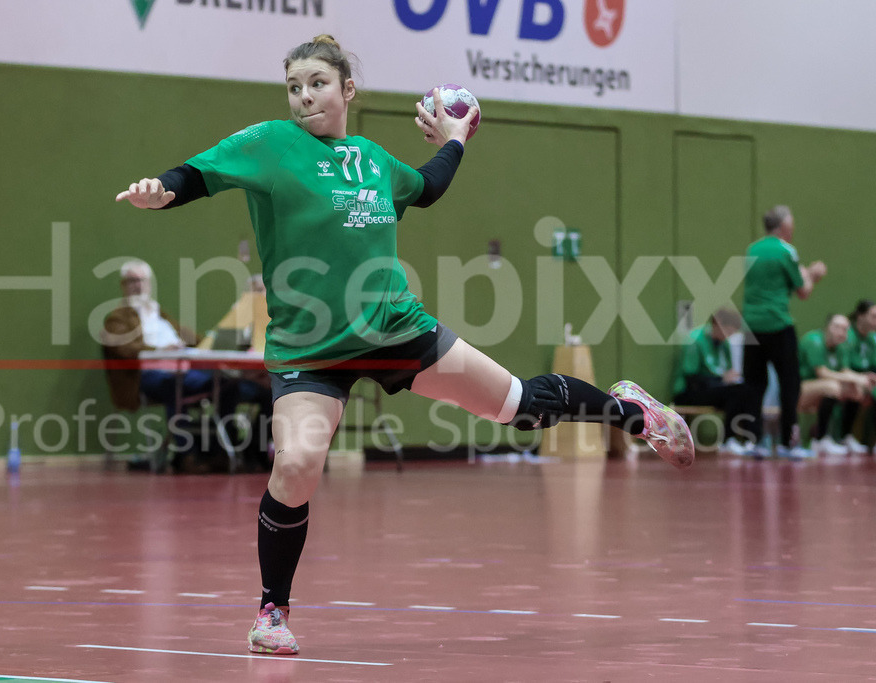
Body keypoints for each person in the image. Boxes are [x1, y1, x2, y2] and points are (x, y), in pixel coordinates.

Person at [115, 35, 694, 656]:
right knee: (296, 464)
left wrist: (456, 138)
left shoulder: (371, 160)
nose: (304, 96)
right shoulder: (268, 144)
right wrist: (163, 188)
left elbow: (427, 184)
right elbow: (197, 174)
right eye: (294, 86)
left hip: (396, 330)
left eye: (316, 83)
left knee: (519, 405)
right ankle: (272, 612)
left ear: (347, 91)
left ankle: (633, 411)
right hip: (310, 350)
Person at [101, 259, 272, 471]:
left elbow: (188, 337)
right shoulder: (116, 319)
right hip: (145, 376)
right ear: (123, 285)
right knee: (177, 385)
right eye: (132, 281)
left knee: (227, 385)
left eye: (142, 280)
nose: (138, 285)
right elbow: (126, 350)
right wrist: (161, 351)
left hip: (179, 368)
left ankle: (223, 452)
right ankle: (185, 455)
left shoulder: (157, 313)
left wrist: (212, 342)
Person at [741, 205, 827, 458]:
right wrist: (814, 274)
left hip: (751, 324)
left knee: (754, 384)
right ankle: (790, 441)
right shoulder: (786, 251)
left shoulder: (751, 250)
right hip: (778, 323)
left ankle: (755, 441)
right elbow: (803, 291)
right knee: (790, 383)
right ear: (784, 226)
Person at [672, 307, 757, 455]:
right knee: (735, 393)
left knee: (747, 390)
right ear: (717, 325)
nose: (729, 336)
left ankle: (750, 440)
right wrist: (721, 379)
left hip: (716, 390)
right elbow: (691, 376)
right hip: (689, 391)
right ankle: (728, 440)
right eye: (728, 331)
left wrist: (731, 378)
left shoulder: (724, 345)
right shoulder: (695, 339)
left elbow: (727, 374)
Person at [799, 314, 873, 456]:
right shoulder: (813, 341)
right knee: (833, 387)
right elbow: (822, 373)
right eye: (837, 327)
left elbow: (845, 371)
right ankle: (819, 439)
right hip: (800, 390)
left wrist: (863, 378)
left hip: (823, 388)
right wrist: (857, 378)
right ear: (827, 328)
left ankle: (846, 437)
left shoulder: (840, 346)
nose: (841, 332)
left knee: (856, 390)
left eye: (845, 329)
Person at [840, 299, 876, 453]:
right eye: (873, 316)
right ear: (860, 316)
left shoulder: (872, 339)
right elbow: (843, 368)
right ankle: (846, 436)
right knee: (859, 388)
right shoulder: (848, 336)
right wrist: (861, 378)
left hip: (867, 377)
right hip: (848, 378)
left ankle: (871, 442)